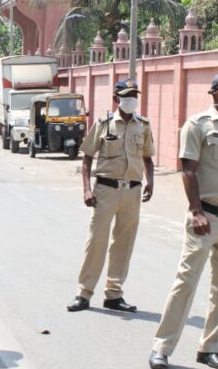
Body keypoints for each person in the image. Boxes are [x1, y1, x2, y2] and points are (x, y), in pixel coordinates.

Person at [149, 70, 218, 369]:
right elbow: (188, 170)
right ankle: (162, 347)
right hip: (206, 217)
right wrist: (196, 210)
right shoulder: (197, 125)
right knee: (186, 282)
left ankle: (210, 347)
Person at [66, 78, 155, 314]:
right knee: (97, 242)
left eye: (134, 95)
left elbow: (147, 157)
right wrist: (86, 189)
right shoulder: (104, 124)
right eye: (127, 96)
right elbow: (87, 157)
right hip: (106, 190)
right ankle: (84, 293)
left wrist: (150, 182)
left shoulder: (143, 125)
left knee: (123, 244)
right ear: (116, 99)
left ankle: (114, 294)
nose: (131, 100)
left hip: (132, 191)